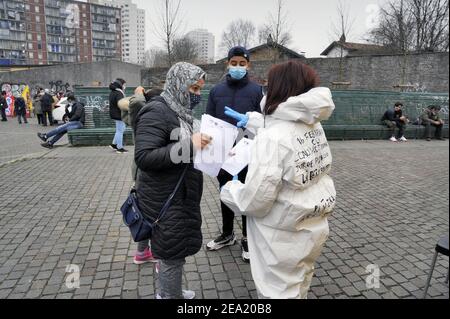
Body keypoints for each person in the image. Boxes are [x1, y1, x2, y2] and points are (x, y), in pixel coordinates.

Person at [220, 60, 336, 299]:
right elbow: (286, 130)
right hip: (312, 226)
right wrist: (252, 121)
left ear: (278, 88)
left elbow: (256, 200)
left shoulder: (272, 138)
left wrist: (230, 188)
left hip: (280, 237)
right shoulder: (313, 124)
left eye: (268, 85)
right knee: (301, 282)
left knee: (279, 292)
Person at [134, 62, 211, 299]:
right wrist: (190, 146)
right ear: (179, 84)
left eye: (199, 90)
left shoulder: (180, 111)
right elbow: (144, 157)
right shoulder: (156, 111)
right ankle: (169, 296)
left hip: (179, 194)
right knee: (170, 254)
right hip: (163, 197)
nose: (197, 95)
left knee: (176, 251)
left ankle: (172, 290)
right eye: (193, 89)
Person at [205, 46, 263, 262]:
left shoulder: (257, 91)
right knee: (225, 192)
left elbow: (263, 122)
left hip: (248, 153)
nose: (238, 67)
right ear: (227, 64)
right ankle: (227, 233)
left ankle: (248, 238)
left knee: (247, 195)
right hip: (223, 153)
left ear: (248, 65)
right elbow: (210, 121)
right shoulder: (216, 91)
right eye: (234, 63)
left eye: (242, 63)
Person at [118, 85, 163, 265]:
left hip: (144, 171)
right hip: (146, 172)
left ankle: (142, 252)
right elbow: (135, 102)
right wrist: (138, 93)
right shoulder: (145, 115)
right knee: (151, 213)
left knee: (146, 211)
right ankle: (151, 253)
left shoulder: (141, 117)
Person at [109, 78, 128, 154]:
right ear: (120, 85)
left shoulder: (113, 92)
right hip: (119, 114)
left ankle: (114, 144)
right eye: (124, 84)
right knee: (120, 131)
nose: (125, 86)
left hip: (115, 114)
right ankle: (119, 148)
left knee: (119, 130)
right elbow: (121, 104)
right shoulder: (119, 93)